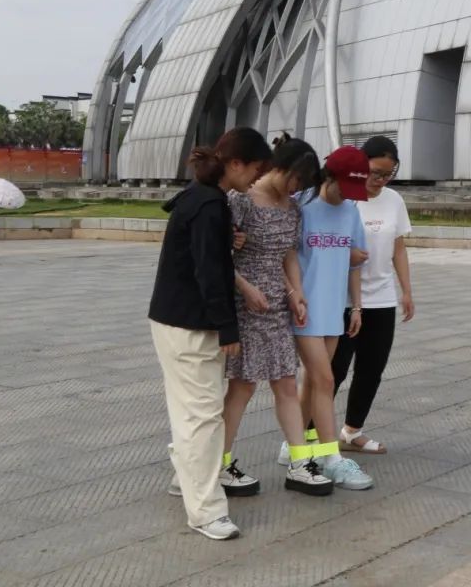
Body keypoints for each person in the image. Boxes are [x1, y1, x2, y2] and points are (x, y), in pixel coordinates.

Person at [149, 127, 271, 541]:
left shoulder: (200, 197)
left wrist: (225, 241)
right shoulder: (209, 204)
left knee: (191, 410)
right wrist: (227, 327)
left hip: (173, 319)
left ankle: (185, 480)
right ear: (235, 163)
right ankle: (206, 511)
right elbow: (209, 272)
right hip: (190, 324)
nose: (256, 178)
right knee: (202, 416)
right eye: (255, 169)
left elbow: (206, 255)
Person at [219, 136, 334, 497]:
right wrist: (245, 288)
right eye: (297, 179)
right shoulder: (242, 200)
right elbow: (219, 255)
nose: (297, 188)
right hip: (246, 304)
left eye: (303, 184)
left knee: (285, 381)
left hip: (277, 305)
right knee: (243, 386)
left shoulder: (292, 208)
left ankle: (299, 463)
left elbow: (288, 256)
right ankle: (218, 463)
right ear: (282, 167)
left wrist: (295, 294)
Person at [278, 145, 375, 490]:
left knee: (314, 382)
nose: (346, 196)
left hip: (334, 308)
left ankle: (293, 447)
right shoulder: (300, 205)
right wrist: (293, 293)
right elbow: (284, 254)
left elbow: (355, 262)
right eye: (343, 187)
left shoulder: (350, 211)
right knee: (325, 380)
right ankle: (331, 457)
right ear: (328, 177)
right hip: (305, 308)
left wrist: (356, 306)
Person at [330, 135, 415, 455]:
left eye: (387, 174)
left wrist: (406, 290)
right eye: (375, 172)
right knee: (334, 370)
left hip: (381, 297)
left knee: (371, 368)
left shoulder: (394, 200)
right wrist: (347, 253)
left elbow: (398, 247)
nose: (380, 180)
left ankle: (352, 431)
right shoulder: (345, 198)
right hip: (343, 299)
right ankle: (308, 433)